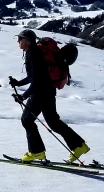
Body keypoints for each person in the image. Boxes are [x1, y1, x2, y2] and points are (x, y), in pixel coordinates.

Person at [9, 29, 90, 162]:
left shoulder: (32, 55)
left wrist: (23, 96)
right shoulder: (36, 53)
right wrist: (18, 83)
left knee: (27, 120)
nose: (18, 41)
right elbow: (35, 77)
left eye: (20, 38)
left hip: (39, 93)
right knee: (54, 122)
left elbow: (36, 81)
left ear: (27, 41)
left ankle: (36, 152)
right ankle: (79, 146)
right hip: (49, 91)